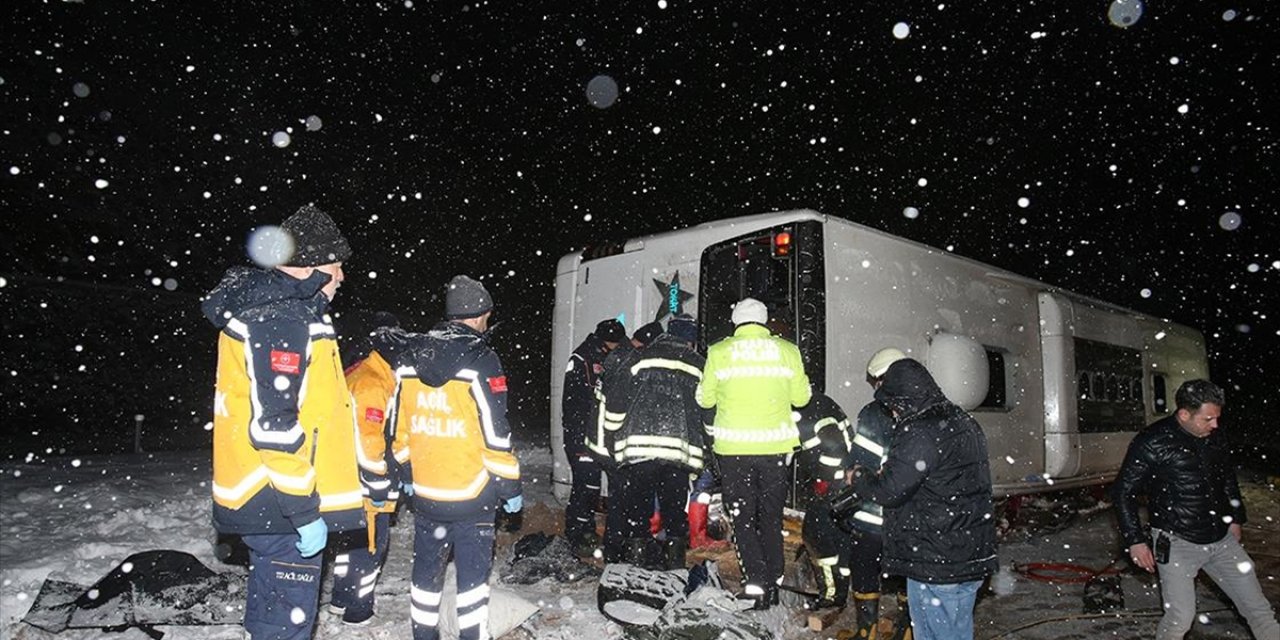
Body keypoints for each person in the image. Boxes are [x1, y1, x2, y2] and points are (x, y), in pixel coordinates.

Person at [202, 204, 367, 640]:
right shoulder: (281, 317)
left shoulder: (284, 310)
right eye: (336, 266)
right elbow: (274, 426)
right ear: (310, 265)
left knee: (271, 613)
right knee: (286, 624)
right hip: (277, 499)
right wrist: (302, 510)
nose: (341, 277)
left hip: (268, 496)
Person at [380, 275, 523, 640]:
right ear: (481, 315)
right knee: (472, 580)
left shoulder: (410, 358)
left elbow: (398, 427)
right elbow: (494, 432)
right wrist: (509, 486)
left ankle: (423, 634)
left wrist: (405, 472)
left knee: (426, 576)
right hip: (473, 493)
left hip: (428, 493)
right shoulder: (483, 361)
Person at [1113, 379, 1278, 640]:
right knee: (1180, 618)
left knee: (1259, 610)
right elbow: (1123, 492)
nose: (1215, 425)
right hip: (1178, 542)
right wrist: (1135, 540)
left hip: (1221, 539)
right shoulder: (1152, 442)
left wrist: (1235, 518)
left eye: (1217, 418)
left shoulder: (1215, 437)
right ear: (1184, 414)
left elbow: (1227, 479)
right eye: (1208, 419)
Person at [847, 358, 997, 640]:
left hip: (937, 559)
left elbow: (889, 491)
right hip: (970, 552)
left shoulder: (919, 430)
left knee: (936, 632)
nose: (891, 411)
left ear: (903, 399)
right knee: (954, 629)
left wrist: (859, 477)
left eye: (892, 404)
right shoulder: (963, 420)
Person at [696, 297, 811, 610]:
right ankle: (773, 580)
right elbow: (802, 398)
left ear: (735, 321)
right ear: (764, 321)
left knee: (743, 519)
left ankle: (757, 585)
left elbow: (705, 401)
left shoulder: (719, 352)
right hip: (776, 451)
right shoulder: (787, 351)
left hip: (734, 453)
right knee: (770, 518)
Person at [602, 314, 708, 569]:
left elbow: (617, 401)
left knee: (638, 510)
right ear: (691, 341)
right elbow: (707, 408)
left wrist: (611, 433)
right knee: (674, 512)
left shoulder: (640, 359)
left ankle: (636, 564)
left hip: (639, 451)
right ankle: (674, 567)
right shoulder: (698, 365)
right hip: (676, 454)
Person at [326, 312, 401, 626]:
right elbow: (368, 436)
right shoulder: (372, 380)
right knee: (372, 546)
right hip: (365, 480)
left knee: (352, 542)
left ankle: (340, 601)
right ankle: (359, 611)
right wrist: (378, 479)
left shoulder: (359, 369)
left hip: (345, 474)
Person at [840, 348, 913, 639]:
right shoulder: (924, 410)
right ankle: (907, 629)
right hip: (909, 517)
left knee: (865, 568)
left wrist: (851, 477)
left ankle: (867, 630)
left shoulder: (874, 414)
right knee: (908, 574)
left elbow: (859, 466)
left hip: (873, 516)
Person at [562, 318, 628, 554]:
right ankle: (579, 534)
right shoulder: (583, 359)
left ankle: (591, 532)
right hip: (582, 434)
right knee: (586, 486)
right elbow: (576, 404)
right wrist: (579, 439)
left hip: (601, 435)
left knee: (605, 486)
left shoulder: (609, 357)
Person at [795, 391, 855, 611]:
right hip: (845, 483)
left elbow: (835, 447)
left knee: (815, 536)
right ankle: (842, 588)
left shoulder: (804, 411)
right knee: (840, 538)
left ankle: (830, 595)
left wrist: (824, 478)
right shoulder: (821, 401)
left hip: (832, 484)